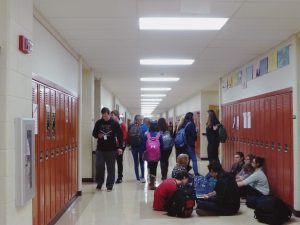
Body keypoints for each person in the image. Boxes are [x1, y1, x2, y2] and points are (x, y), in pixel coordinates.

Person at [92, 107, 123, 191]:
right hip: (100, 149)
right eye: (103, 116)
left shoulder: (115, 123)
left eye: (106, 116)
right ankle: (100, 182)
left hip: (111, 149)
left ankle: (109, 185)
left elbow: (120, 136)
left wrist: (120, 147)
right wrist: (98, 135)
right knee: (99, 167)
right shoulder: (98, 122)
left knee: (111, 168)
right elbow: (94, 134)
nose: (104, 117)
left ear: (109, 114)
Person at [143, 121, 163, 190]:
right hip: (156, 154)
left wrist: (144, 151)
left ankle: (150, 181)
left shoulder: (146, 134)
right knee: (154, 167)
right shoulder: (159, 135)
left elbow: (144, 144)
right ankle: (152, 183)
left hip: (149, 154)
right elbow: (162, 145)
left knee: (149, 166)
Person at [111, 110, 127, 184]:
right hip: (113, 145)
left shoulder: (122, 125)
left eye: (112, 115)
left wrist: (119, 145)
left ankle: (120, 177)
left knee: (119, 161)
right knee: (111, 161)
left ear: (116, 116)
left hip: (120, 145)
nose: (111, 117)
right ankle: (112, 177)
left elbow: (123, 136)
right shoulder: (112, 124)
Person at [128, 115, 146, 183]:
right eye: (141, 120)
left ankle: (137, 178)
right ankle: (143, 178)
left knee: (136, 163)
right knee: (142, 162)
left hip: (133, 147)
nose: (142, 121)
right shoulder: (143, 127)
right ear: (138, 120)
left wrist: (129, 145)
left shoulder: (130, 126)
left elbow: (128, 137)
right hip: (141, 147)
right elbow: (145, 138)